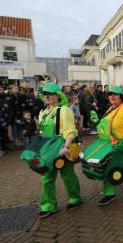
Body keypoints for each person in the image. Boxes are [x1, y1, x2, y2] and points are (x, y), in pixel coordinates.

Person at [37, 82, 82, 217]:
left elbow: (71, 131)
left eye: (50, 94)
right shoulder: (43, 112)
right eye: (45, 94)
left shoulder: (64, 110)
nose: (48, 97)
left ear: (57, 95)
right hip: (47, 149)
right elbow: (41, 133)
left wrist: (66, 146)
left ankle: (75, 198)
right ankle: (48, 205)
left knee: (67, 176)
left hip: (62, 147)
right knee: (47, 177)